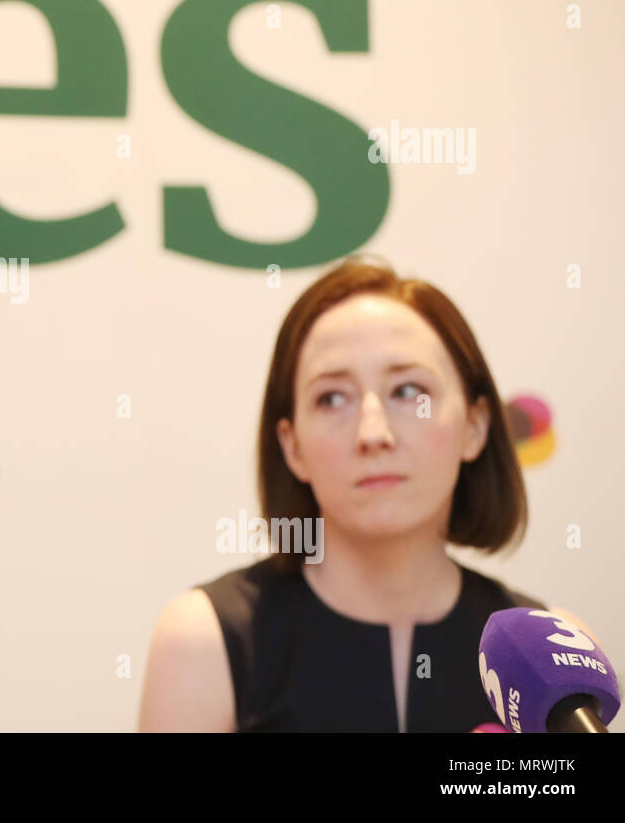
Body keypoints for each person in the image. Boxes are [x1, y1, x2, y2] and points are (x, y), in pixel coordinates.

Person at [138, 256, 592, 732]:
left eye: (408, 391)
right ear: (292, 446)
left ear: (475, 426)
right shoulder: (206, 640)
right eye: (332, 398)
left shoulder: (550, 653)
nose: (372, 433)